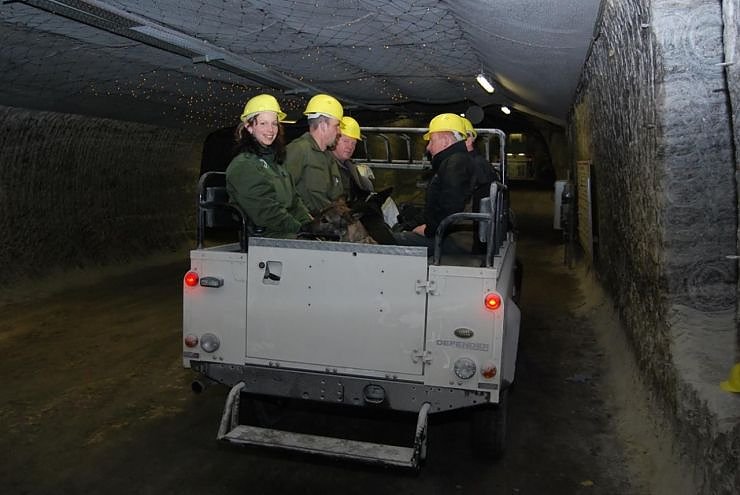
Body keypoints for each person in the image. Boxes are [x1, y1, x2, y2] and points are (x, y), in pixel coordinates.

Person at [225, 94, 312, 238]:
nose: (270, 130)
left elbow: (295, 203)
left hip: (285, 233)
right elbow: (266, 212)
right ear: (249, 127)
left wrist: (310, 225)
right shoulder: (243, 166)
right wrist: (300, 229)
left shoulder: (276, 164)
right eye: (263, 123)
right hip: (265, 238)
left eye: (274, 124)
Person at [393, 113, 474, 250]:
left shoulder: (455, 164)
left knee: (391, 240)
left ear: (445, 141)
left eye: (431, 141)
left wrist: (427, 230)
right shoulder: (456, 161)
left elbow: (451, 207)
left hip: (456, 239)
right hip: (456, 235)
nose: (428, 147)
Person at [285, 94, 344, 215]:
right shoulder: (299, 150)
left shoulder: (328, 156)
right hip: (308, 222)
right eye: (336, 125)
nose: (339, 131)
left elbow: (335, 195)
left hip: (329, 221)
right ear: (323, 125)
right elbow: (283, 193)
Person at [332, 116, 374, 204]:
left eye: (353, 143)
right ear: (334, 139)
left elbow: (366, 187)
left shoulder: (349, 165)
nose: (350, 147)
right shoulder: (326, 164)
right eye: (346, 141)